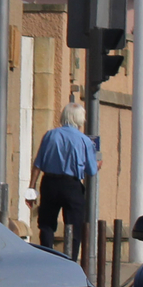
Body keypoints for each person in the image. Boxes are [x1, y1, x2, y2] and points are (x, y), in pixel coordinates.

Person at [30, 102, 98, 257]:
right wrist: (98, 163)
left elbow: (38, 164)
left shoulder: (50, 135)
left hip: (50, 183)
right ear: (80, 119)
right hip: (71, 185)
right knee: (74, 226)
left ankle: (47, 256)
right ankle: (71, 259)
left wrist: (31, 188)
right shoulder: (84, 141)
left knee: (46, 224)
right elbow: (92, 170)